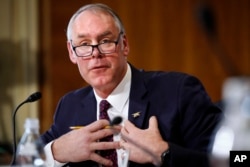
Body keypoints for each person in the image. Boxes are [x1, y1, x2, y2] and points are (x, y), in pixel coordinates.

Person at [41, 3, 222, 167]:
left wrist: (164, 152)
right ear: (72, 53)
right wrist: (56, 151)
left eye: (105, 41)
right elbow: (20, 160)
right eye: (84, 44)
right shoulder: (69, 106)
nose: (95, 54)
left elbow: (239, 158)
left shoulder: (179, 92)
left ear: (124, 45)